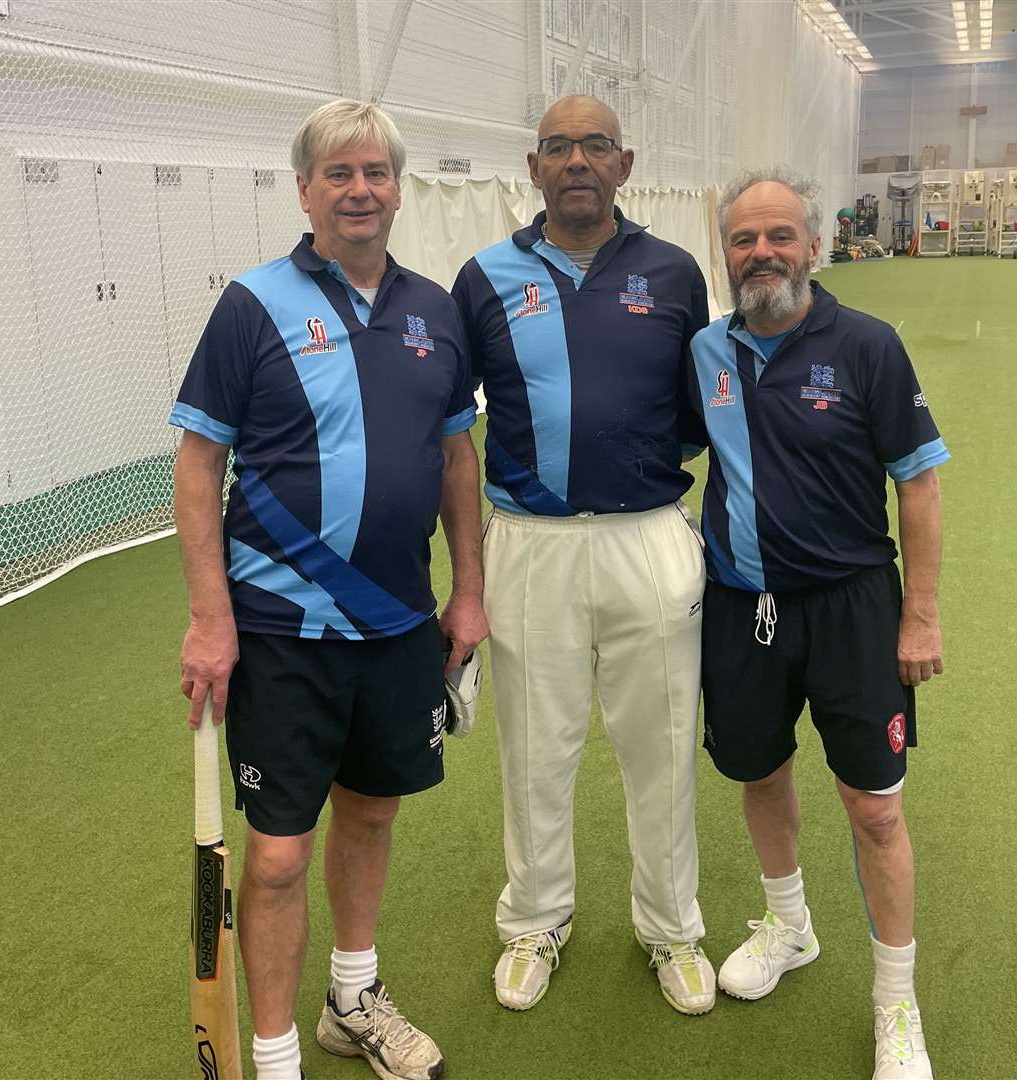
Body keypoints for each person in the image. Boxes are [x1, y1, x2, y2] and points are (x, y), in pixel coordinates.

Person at [170, 99, 487, 1080]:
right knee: (273, 858)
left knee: (373, 812)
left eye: (376, 173)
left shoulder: (435, 311)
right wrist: (210, 621)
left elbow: (455, 462)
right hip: (277, 631)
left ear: (398, 188)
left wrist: (467, 593)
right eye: (338, 174)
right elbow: (196, 469)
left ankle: (353, 999)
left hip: (397, 627)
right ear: (304, 188)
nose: (359, 190)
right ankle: (272, 1060)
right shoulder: (251, 304)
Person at [452, 95, 715, 1015]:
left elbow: (701, 414)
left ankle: (673, 928)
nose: (577, 161)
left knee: (664, 747)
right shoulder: (483, 278)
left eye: (594, 146)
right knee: (535, 752)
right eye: (558, 147)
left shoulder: (676, 273)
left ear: (625, 163)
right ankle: (534, 921)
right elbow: (452, 431)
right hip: (530, 545)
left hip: (649, 538)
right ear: (532, 169)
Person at [687, 166, 948, 1080]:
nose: (762, 254)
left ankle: (895, 1004)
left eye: (779, 237)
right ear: (726, 255)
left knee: (875, 810)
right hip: (740, 609)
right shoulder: (707, 354)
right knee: (759, 772)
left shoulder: (869, 345)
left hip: (853, 612)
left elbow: (917, 481)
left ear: (813, 245)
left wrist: (919, 618)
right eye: (743, 241)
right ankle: (789, 926)